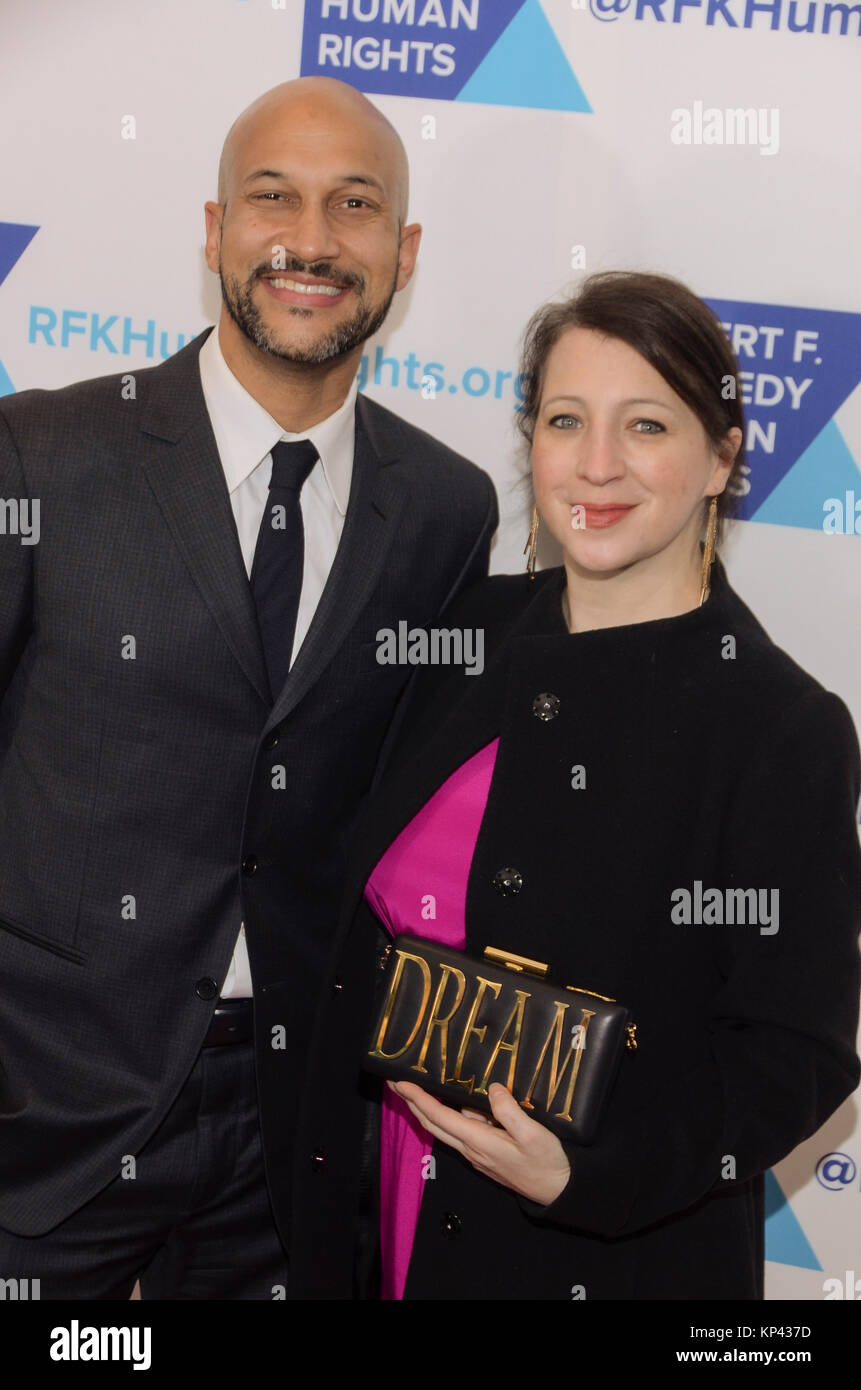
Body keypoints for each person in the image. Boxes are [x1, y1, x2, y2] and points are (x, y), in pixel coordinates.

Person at [0, 76, 497, 1299]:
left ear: (406, 253)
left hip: (293, 1131)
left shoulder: (445, 509)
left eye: (356, 205)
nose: (314, 241)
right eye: (273, 198)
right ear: (215, 229)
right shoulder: (42, 455)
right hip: (42, 1119)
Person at [289, 270, 861, 1300]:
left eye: (647, 425)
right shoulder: (466, 633)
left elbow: (795, 1058)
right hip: (382, 1221)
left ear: (723, 456)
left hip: (596, 1257)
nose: (596, 465)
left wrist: (588, 1174)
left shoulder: (782, 729)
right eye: (565, 420)